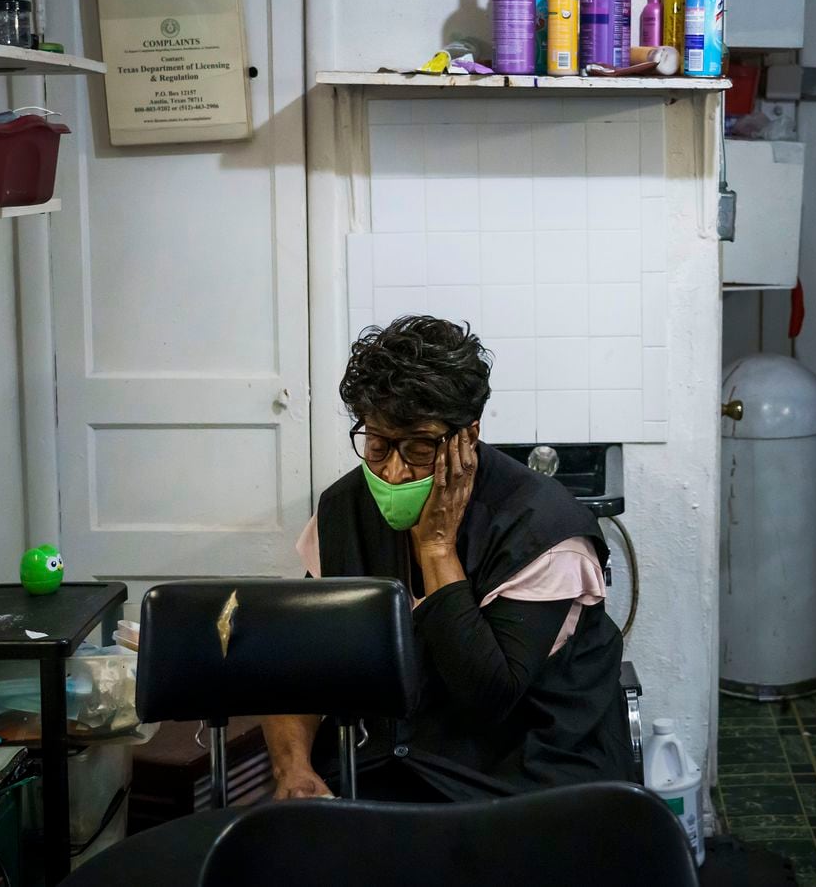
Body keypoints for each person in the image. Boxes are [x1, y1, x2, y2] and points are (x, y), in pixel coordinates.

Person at [265, 315, 631, 801]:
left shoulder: (542, 528)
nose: (393, 472)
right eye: (377, 444)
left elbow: (487, 697)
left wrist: (436, 547)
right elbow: (300, 667)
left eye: (417, 448)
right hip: (385, 770)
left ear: (468, 435)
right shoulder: (342, 511)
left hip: (522, 781)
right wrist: (293, 770)